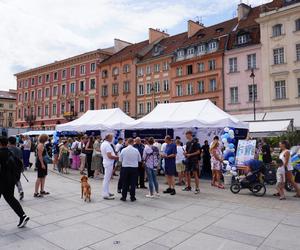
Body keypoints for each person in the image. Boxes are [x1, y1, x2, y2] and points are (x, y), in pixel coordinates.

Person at [0, 136, 30, 228]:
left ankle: (22, 216)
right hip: (11, 180)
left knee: (10, 198)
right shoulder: (10, 152)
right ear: (6, 143)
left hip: (2, 180)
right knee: (10, 198)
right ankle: (23, 215)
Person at [101, 134, 119, 200]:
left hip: (107, 162)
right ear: (108, 138)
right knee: (106, 179)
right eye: (112, 138)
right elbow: (109, 156)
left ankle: (107, 192)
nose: (112, 139)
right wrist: (117, 157)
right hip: (108, 163)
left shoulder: (104, 143)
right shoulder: (107, 145)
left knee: (107, 179)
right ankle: (105, 194)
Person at [8, 136, 24, 200]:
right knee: (17, 179)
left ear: (9, 142)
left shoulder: (8, 149)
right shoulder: (19, 149)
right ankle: (21, 191)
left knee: (10, 181)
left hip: (10, 168)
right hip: (17, 167)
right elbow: (21, 159)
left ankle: (10, 194)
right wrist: (22, 167)